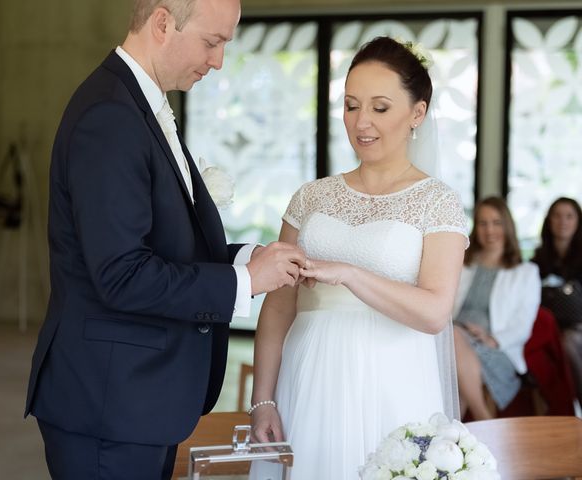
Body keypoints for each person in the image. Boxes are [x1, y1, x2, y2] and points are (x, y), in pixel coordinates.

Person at [24, 1, 306, 479]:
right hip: (108, 406)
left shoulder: (140, 102)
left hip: (135, 404)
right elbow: (121, 273)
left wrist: (248, 258)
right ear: (162, 23)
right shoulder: (110, 116)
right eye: (212, 42)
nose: (218, 61)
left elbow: (164, 243)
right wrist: (242, 284)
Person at [248, 36, 469, 480]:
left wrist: (349, 273)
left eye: (380, 108)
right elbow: (278, 305)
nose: (361, 122)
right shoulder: (311, 197)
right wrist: (263, 399)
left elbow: (433, 312)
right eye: (351, 105)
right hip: (310, 376)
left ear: (417, 114)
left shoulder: (438, 203)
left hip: (393, 379)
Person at [452, 197, 541, 420]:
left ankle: (468, 424)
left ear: (507, 226)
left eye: (496, 222)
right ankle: (466, 434)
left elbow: (523, 322)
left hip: (496, 348)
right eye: (483, 223)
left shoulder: (525, 272)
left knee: (453, 352)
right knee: (452, 341)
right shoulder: (461, 262)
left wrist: (492, 339)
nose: (489, 229)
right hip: (453, 336)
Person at [532, 197, 582, 407]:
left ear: (578, 221)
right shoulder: (537, 261)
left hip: (576, 327)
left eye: (569, 216)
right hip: (547, 328)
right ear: (549, 220)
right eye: (557, 216)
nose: (563, 221)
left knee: (569, 341)